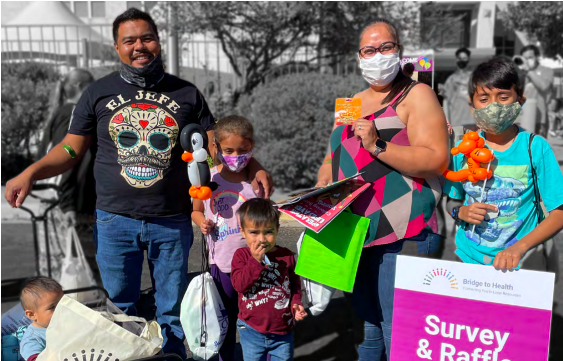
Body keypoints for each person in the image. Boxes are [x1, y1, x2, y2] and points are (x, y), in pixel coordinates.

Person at [4, 8, 272, 359]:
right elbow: (71, 148)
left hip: (172, 218)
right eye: (129, 40)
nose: (139, 46)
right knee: (120, 310)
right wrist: (31, 171)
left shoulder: (187, 93)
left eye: (146, 38)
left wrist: (254, 166)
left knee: (172, 309)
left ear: (157, 42)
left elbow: (218, 142)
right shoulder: (97, 93)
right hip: (116, 220)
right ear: (117, 47)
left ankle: (172, 356)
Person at [316, 19, 449, 360]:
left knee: (399, 329)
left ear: (399, 50)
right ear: (359, 56)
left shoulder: (417, 94)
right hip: (357, 230)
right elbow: (334, 157)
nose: (378, 55)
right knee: (367, 328)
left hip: (403, 231)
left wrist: (378, 146)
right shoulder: (351, 102)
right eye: (369, 50)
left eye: (386, 47)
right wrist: (321, 183)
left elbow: (436, 160)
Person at [444, 57, 563, 270]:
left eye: (503, 96)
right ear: (472, 106)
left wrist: (520, 247)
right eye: (484, 98)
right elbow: (452, 201)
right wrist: (460, 212)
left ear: (520, 101)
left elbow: (559, 212)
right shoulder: (462, 149)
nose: (494, 106)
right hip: (467, 260)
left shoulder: (536, 148)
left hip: (521, 264)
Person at [191, 115, 261, 361]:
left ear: (252, 147)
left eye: (243, 150)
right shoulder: (208, 178)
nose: (236, 155)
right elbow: (196, 209)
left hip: (254, 264)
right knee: (223, 322)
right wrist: (202, 222)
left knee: (253, 320)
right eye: (229, 150)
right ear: (216, 148)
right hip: (220, 264)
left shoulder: (256, 182)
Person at [36, 68, 98, 282]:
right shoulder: (74, 113)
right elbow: (66, 157)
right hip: (68, 205)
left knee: (63, 273)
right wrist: (69, 203)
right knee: (80, 273)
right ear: (82, 87)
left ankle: (54, 313)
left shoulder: (61, 112)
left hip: (55, 201)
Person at [231, 198, 307, 361]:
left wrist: (296, 303)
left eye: (268, 232)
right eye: (254, 232)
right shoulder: (242, 256)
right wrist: (255, 261)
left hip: (282, 330)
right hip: (251, 329)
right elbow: (239, 285)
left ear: (277, 230)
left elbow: (294, 284)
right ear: (242, 231)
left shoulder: (286, 256)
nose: (262, 239)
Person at [19, 277, 64, 361]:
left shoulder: (65, 321)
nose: (61, 309)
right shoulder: (33, 338)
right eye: (53, 307)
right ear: (32, 314)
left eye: (63, 303)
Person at [518, 44, 554, 138]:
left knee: (537, 150)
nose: (527, 60)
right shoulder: (520, 73)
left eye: (530, 57)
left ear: (537, 57)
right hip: (521, 119)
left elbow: (544, 86)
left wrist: (529, 71)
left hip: (539, 119)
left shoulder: (547, 71)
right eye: (525, 58)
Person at [442, 47, 474, 141]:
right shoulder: (451, 80)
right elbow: (446, 103)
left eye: (465, 58)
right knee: (458, 152)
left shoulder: (474, 78)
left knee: (473, 152)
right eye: (460, 58)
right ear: (456, 60)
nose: (462, 61)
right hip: (456, 123)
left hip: (472, 121)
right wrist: (447, 123)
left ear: (468, 60)